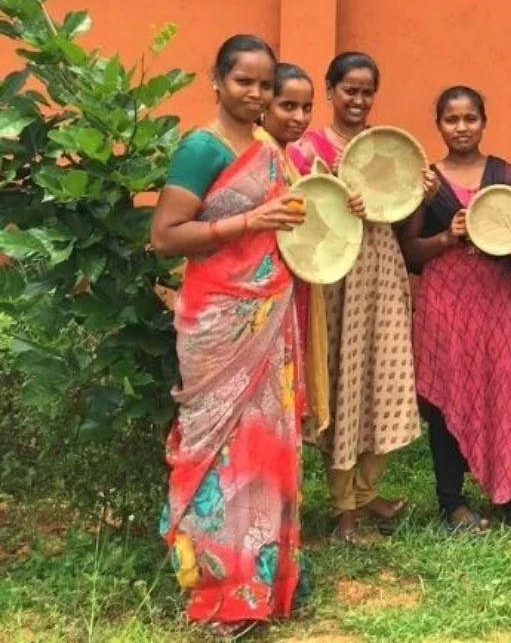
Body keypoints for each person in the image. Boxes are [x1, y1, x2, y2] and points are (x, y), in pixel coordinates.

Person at [151, 35, 307, 636]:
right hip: (218, 321)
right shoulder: (201, 147)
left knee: (264, 446)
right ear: (217, 80)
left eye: (266, 84)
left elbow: (289, 223)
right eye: (245, 81)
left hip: (269, 318)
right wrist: (246, 221)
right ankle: (219, 586)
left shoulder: (269, 148)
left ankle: (262, 577)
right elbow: (166, 234)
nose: (257, 94)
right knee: (218, 451)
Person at [288, 52, 437, 540]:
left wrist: (423, 195)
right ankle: (342, 509)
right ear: (330, 91)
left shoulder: (386, 149)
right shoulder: (308, 149)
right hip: (336, 278)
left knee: (387, 377)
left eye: (367, 90)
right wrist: (332, 190)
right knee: (345, 383)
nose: (358, 99)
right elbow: (298, 215)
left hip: (382, 269)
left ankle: (368, 491)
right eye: (349, 89)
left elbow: (403, 226)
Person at [399, 86, 511, 534]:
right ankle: (452, 502)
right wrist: (447, 236)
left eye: (470, 118)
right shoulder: (430, 180)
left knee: (507, 392)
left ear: (484, 120)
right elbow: (409, 252)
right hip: (445, 301)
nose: (461, 127)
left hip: (493, 298)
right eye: (451, 119)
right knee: (448, 396)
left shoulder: (505, 174)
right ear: (438, 124)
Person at [257, 62, 364, 442]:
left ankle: (279, 495)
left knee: (280, 398)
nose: (299, 117)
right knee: (263, 400)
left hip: (290, 286)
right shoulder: (259, 155)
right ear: (265, 104)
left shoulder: (282, 156)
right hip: (257, 298)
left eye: (306, 108)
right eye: (288, 106)